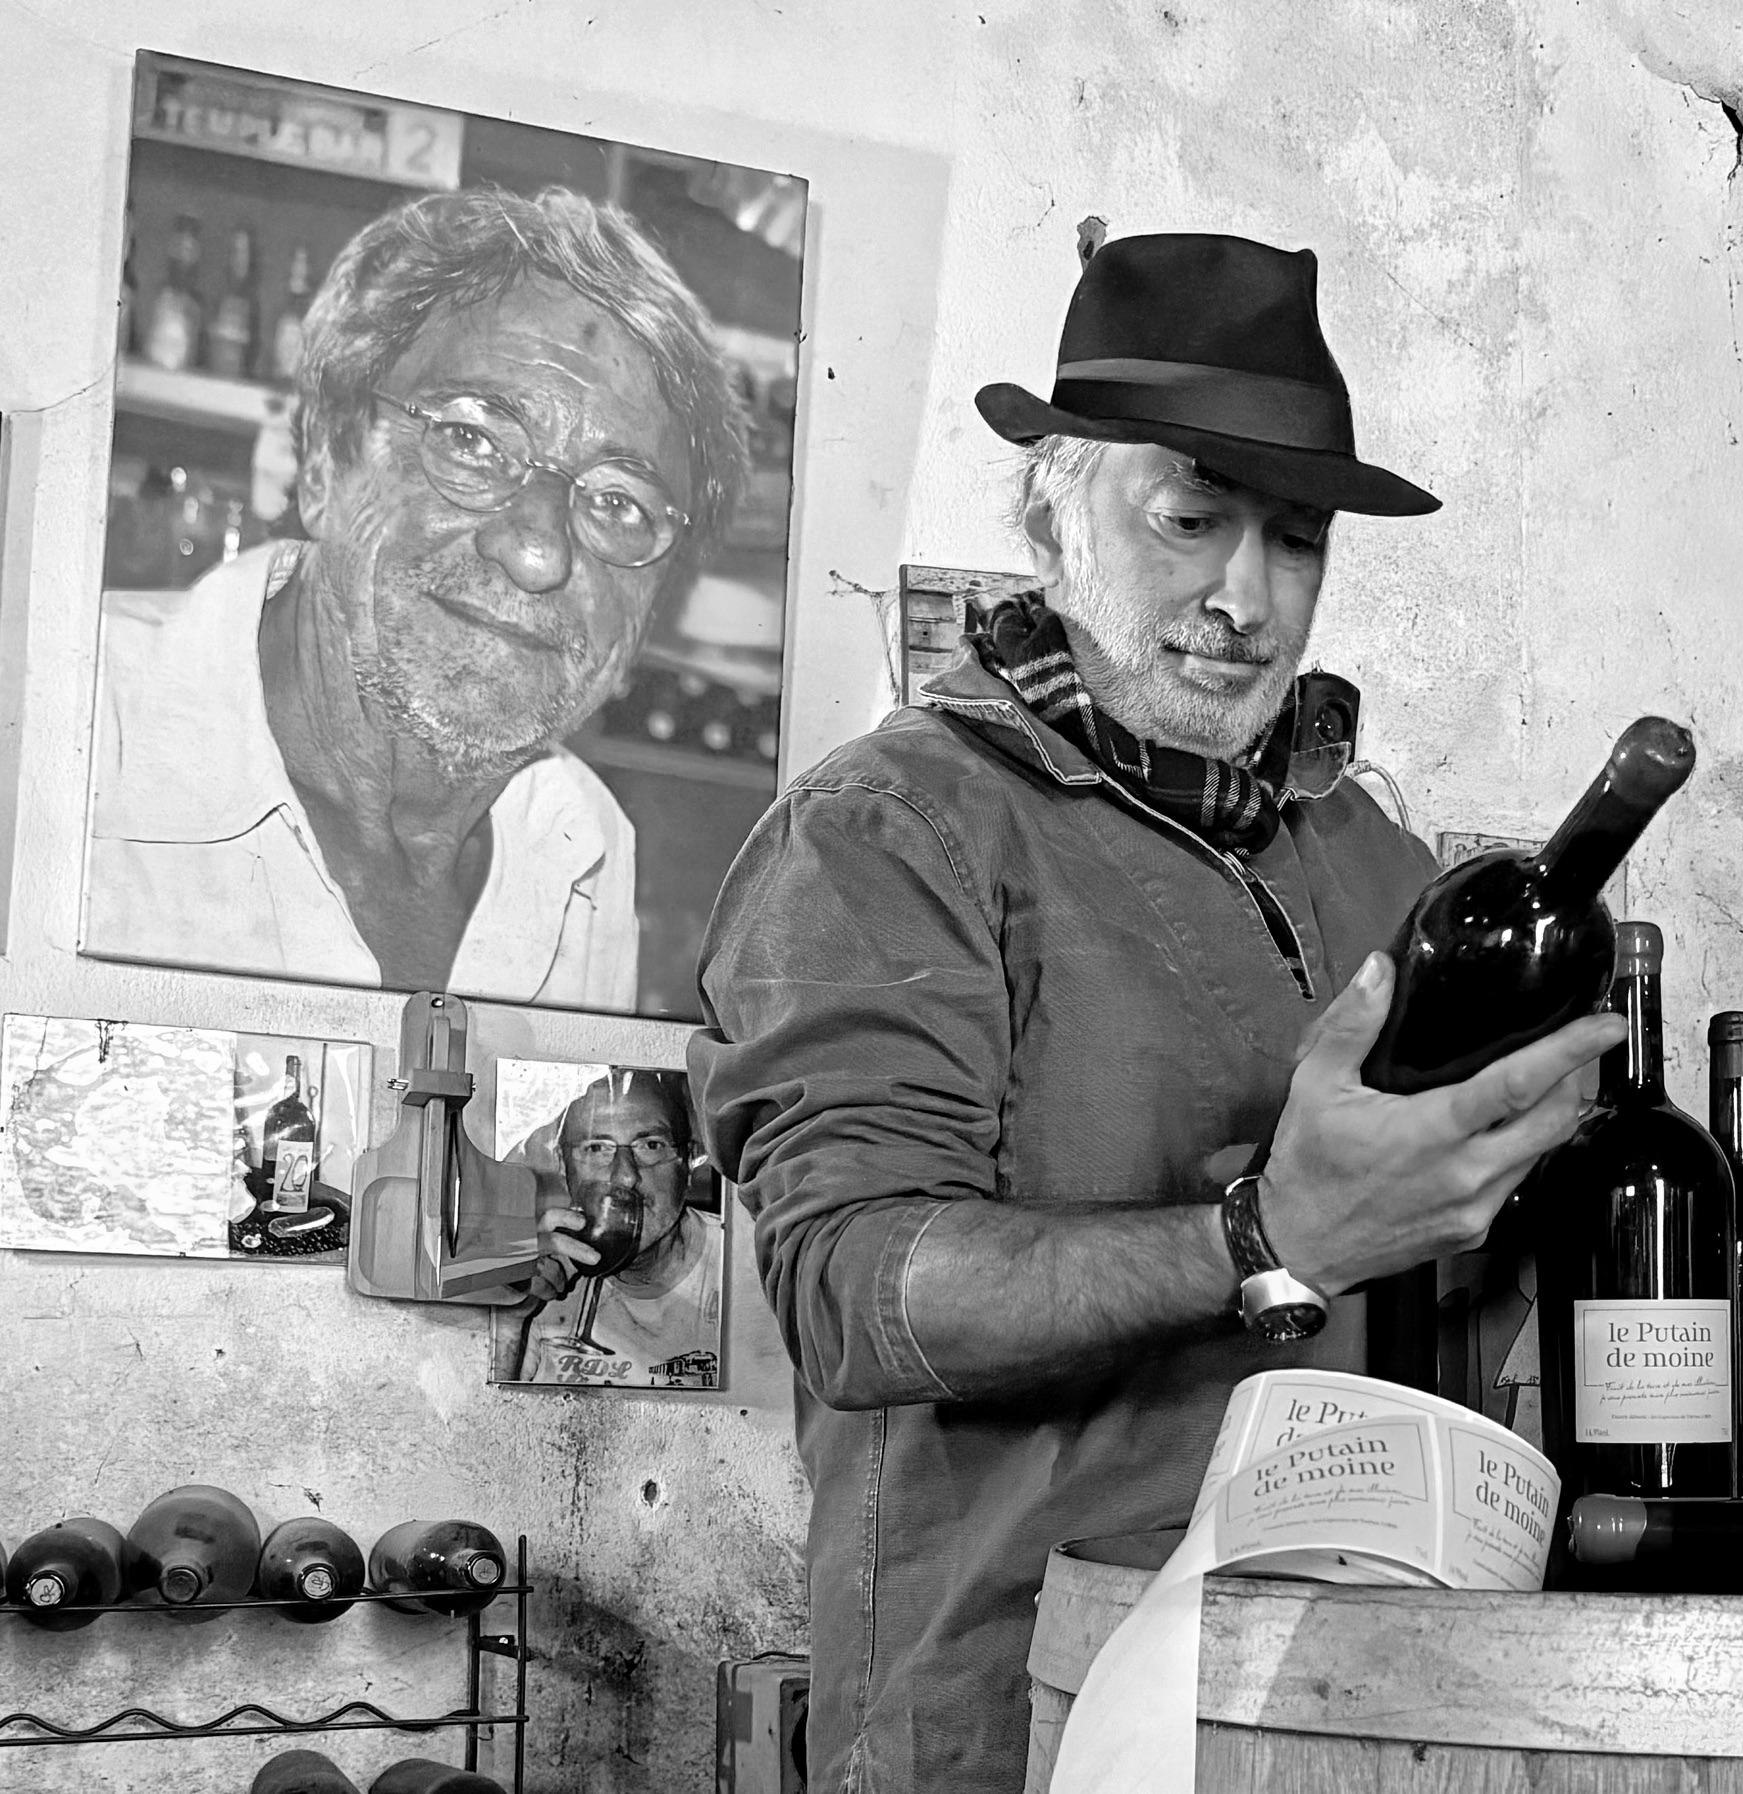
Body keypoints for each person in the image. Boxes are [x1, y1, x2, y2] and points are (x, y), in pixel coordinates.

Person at [689, 232, 1625, 1793]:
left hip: (1361, 1715)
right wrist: (1263, 1236)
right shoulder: (885, 834)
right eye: (1192, 517)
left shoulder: (1374, 860)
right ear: (1052, 513)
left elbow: (1459, 1286)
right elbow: (852, 1291)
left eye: (1296, 538)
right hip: (1014, 1719)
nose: (1245, 598)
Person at [85, 187, 747, 1011]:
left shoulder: (583, 846)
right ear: (326, 460)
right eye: (473, 440)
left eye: (619, 503)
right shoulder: (70, 721)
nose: (538, 551)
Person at [507, 1067, 723, 1389]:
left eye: (651, 1145)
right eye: (596, 1148)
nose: (625, 1176)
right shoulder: (541, 1278)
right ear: (563, 1165)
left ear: (688, 1162)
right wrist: (511, 1312)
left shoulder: (750, 1264)